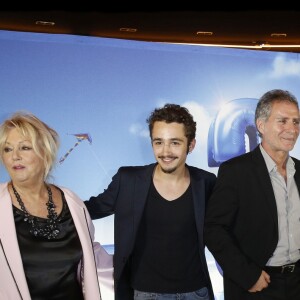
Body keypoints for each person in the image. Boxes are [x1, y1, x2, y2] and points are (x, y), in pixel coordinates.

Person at [84, 103, 217, 300]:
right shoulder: (128, 180)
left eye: (175, 142)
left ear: (191, 144)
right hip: (145, 293)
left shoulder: (206, 183)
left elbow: (226, 232)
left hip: (196, 292)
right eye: (158, 142)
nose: (165, 152)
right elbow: (88, 209)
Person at [0, 111, 114, 300]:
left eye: (25, 148)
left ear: (44, 152)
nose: (15, 156)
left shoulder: (72, 201)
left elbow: (93, 260)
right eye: (7, 149)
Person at [204, 89, 300, 300]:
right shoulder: (235, 171)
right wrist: (247, 275)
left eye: (296, 122)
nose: (291, 129)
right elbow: (214, 229)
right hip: (257, 284)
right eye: (282, 121)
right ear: (261, 125)